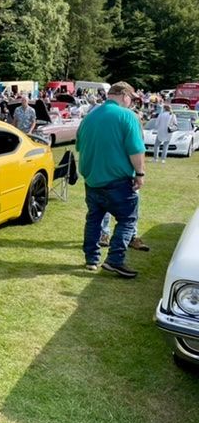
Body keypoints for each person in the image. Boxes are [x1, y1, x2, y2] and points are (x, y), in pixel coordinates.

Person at [75, 81, 146, 278]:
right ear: (125, 96)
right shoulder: (127, 116)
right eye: (132, 99)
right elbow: (136, 150)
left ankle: (91, 259)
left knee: (94, 219)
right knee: (127, 219)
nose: (132, 103)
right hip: (117, 180)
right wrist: (140, 174)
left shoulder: (90, 116)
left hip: (92, 180)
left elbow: (79, 146)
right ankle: (115, 260)